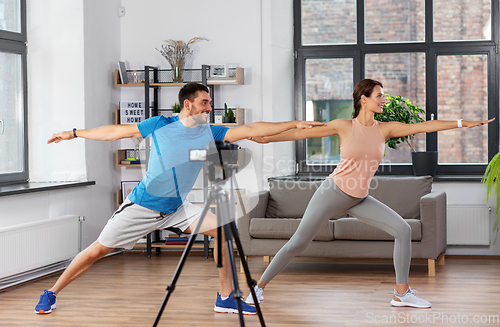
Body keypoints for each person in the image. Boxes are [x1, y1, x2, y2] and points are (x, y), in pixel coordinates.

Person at [35, 82, 325, 315]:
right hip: (143, 206)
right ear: (188, 104)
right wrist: (73, 133)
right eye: (205, 102)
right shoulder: (160, 124)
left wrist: (294, 125)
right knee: (97, 251)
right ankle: (52, 292)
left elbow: (252, 131)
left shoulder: (210, 132)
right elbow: (114, 132)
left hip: (176, 208)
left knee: (225, 232)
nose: (210, 108)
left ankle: (225, 298)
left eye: (210, 103)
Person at [245, 78, 494, 309]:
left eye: (383, 96)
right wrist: (266, 140)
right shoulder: (343, 126)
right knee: (299, 242)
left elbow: (425, 126)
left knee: (403, 229)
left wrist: (462, 123)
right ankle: (258, 288)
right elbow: (301, 133)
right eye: (379, 96)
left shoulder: (385, 129)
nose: (383, 100)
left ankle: (401, 292)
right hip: (333, 192)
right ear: (363, 99)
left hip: (359, 198)